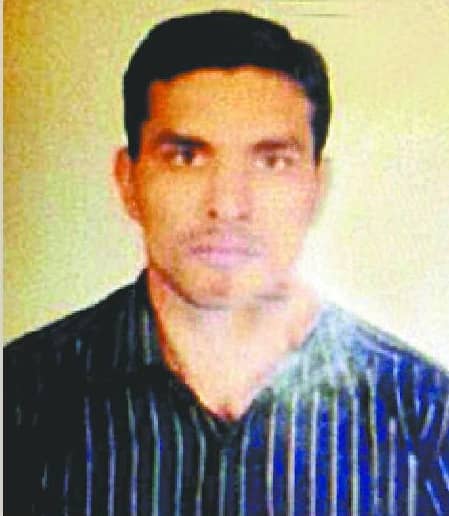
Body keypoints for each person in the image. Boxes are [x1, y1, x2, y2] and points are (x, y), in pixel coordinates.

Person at [4, 10, 448, 515]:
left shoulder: (426, 417)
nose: (228, 205)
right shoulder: (19, 400)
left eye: (272, 161)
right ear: (128, 181)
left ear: (316, 188)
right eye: (186, 157)